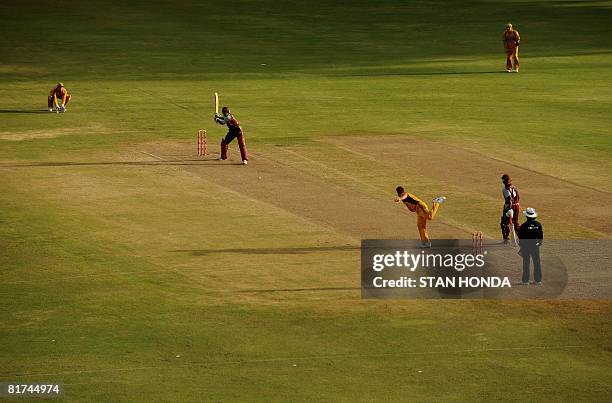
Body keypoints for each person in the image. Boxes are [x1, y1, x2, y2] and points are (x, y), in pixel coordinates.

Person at [517, 207, 543, 285]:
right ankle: (538, 280)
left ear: (527, 216)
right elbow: (541, 236)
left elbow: (521, 237)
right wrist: (539, 243)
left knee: (526, 263)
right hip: (535, 246)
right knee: (537, 263)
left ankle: (525, 281)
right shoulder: (538, 224)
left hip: (526, 247)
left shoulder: (524, 226)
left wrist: (521, 247)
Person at [500, 174, 520, 244]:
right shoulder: (514, 187)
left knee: (504, 223)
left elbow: (509, 200)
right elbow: (518, 198)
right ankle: (521, 238)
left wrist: (508, 208)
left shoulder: (505, 189)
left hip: (510, 207)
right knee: (516, 222)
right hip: (517, 206)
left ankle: (506, 239)